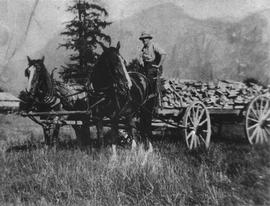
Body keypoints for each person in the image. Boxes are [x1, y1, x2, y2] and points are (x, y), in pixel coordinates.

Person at [138, 32, 166, 107]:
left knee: (150, 81)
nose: (143, 40)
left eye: (145, 39)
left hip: (154, 68)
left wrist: (158, 65)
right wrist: (141, 61)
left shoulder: (154, 45)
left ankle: (153, 98)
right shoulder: (143, 49)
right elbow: (140, 57)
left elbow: (163, 54)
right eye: (142, 39)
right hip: (146, 68)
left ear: (149, 39)